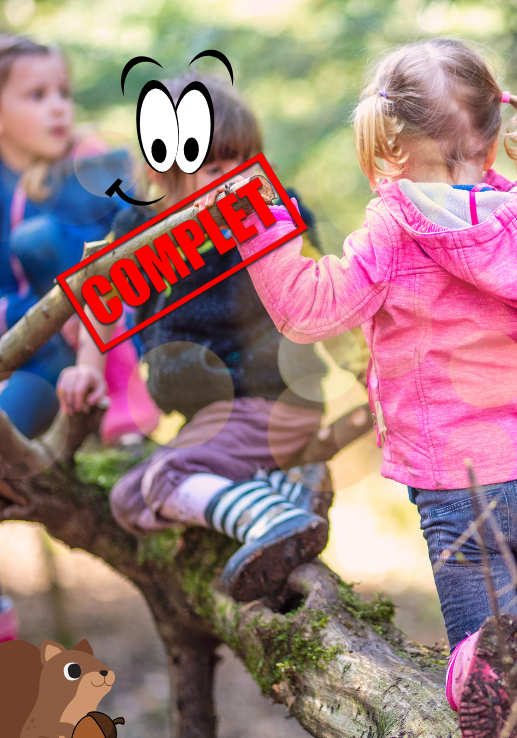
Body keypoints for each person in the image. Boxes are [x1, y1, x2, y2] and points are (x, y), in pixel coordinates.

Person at [199, 38, 517, 738]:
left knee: (481, 642)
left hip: (459, 483)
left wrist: (259, 228)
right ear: (492, 126)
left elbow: (309, 310)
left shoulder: (395, 227)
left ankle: (484, 693)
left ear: (389, 138)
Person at [57, 73, 334, 610]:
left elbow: (321, 289)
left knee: (165, 478)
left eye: (242, 163)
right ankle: (281, 495)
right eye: (210, 167)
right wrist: (89, 367)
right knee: (127, 499)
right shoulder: (139, 227)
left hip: (272, 402)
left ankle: (274, 519)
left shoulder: (267, 214)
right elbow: (101, 301)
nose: (231, 179)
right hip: (211, 417)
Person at [0, 34, 140, 738]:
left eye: (62, 91)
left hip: (113, 352)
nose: (59, 106)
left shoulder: (88, 173)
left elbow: (122, 272)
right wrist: (30, 323)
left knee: (44, 239)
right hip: (33, 368)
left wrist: (90, 348)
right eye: (37, 95)